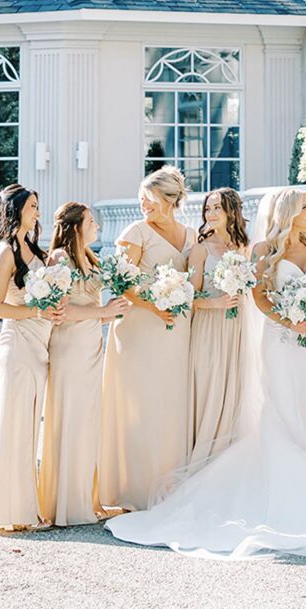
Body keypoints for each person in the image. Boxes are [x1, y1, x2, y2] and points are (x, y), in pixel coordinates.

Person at [105, 189, 306, 558]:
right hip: (280, 336)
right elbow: (260, 296)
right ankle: (285, 470)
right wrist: (290, 319)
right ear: (290, 211)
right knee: (280, 402)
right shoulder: (264, 249)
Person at [99, 165, 194, 512]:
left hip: (177, 329)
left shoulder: (191, 235)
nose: (143, 205)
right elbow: (122, 283)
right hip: (139, 328)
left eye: (149, 198)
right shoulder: (135, 232)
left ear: (169, 198)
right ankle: (134, 489)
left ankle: (169, 486)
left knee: (170, 403)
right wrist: (154, 306)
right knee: (141, 403)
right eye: (141, 199)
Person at [38, 201, 129, 527]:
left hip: (91, 347)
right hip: (69, 349)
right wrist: (104, 312)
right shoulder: (59, 259)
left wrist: (114, 310)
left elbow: (92, 309)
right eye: (91, 221)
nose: (97, 226)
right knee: (72, 420)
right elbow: (61, 312)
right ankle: (66, 504)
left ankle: (87, 499)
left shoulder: (90, 257)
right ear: (76, 226)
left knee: (89, 421)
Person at [0, 184, 62, 533]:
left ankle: (26, 506)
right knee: (16, 427)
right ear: (15, 210)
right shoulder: (6, 251)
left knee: (30, 428)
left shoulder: (30, 246)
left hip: (38, 343)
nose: (38, 212)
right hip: (18, 344)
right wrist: (37, 310)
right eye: (32, 206)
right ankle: (15, 512)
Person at [187, 188, 250, 471]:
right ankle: (204, 458)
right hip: (209, 327)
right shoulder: (200, 249)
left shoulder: (242, 247)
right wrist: (217, 303)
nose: (210, 214)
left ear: (230, 212)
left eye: (216, 208)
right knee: (209, 387)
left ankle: (228, 460)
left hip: (236, 327)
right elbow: (189, 298)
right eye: (207, 208)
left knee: (235, 387)